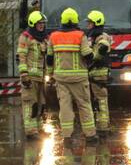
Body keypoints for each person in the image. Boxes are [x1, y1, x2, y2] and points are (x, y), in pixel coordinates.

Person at [47, 8, 97, 145]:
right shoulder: (80, 35)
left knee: (65, 108)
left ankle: (67, 137)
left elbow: (49, 58)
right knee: (84, 105)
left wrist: (51, 74)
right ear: (75, 20)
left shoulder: (53, 36)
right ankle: (90, 136)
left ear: (62, 20)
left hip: (61, 79)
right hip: (79, 79)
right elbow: (87, 55)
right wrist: (93, 55)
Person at [18, 11, 49, 140]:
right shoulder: (26, 37)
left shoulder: (44, 39)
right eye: (39, 24)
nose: (42, 26)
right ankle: (31, 132)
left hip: (41, 77)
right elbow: (22, 56)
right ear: (33, 24)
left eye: (43, 24)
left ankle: (39, 128)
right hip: (30, 77)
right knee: (30, 104)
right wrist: (24, 75)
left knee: (41, 104)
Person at [85, 10, 113, 135]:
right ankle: (101, 124)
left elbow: (104, 45)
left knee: (100, 100)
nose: (88, 25)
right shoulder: (93, 36)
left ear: (96, 23)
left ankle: (102, 127)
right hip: (93, 73)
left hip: (98, 73)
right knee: (97, 100)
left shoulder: (102, 36)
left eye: (90, 23)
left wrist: (93, 56)